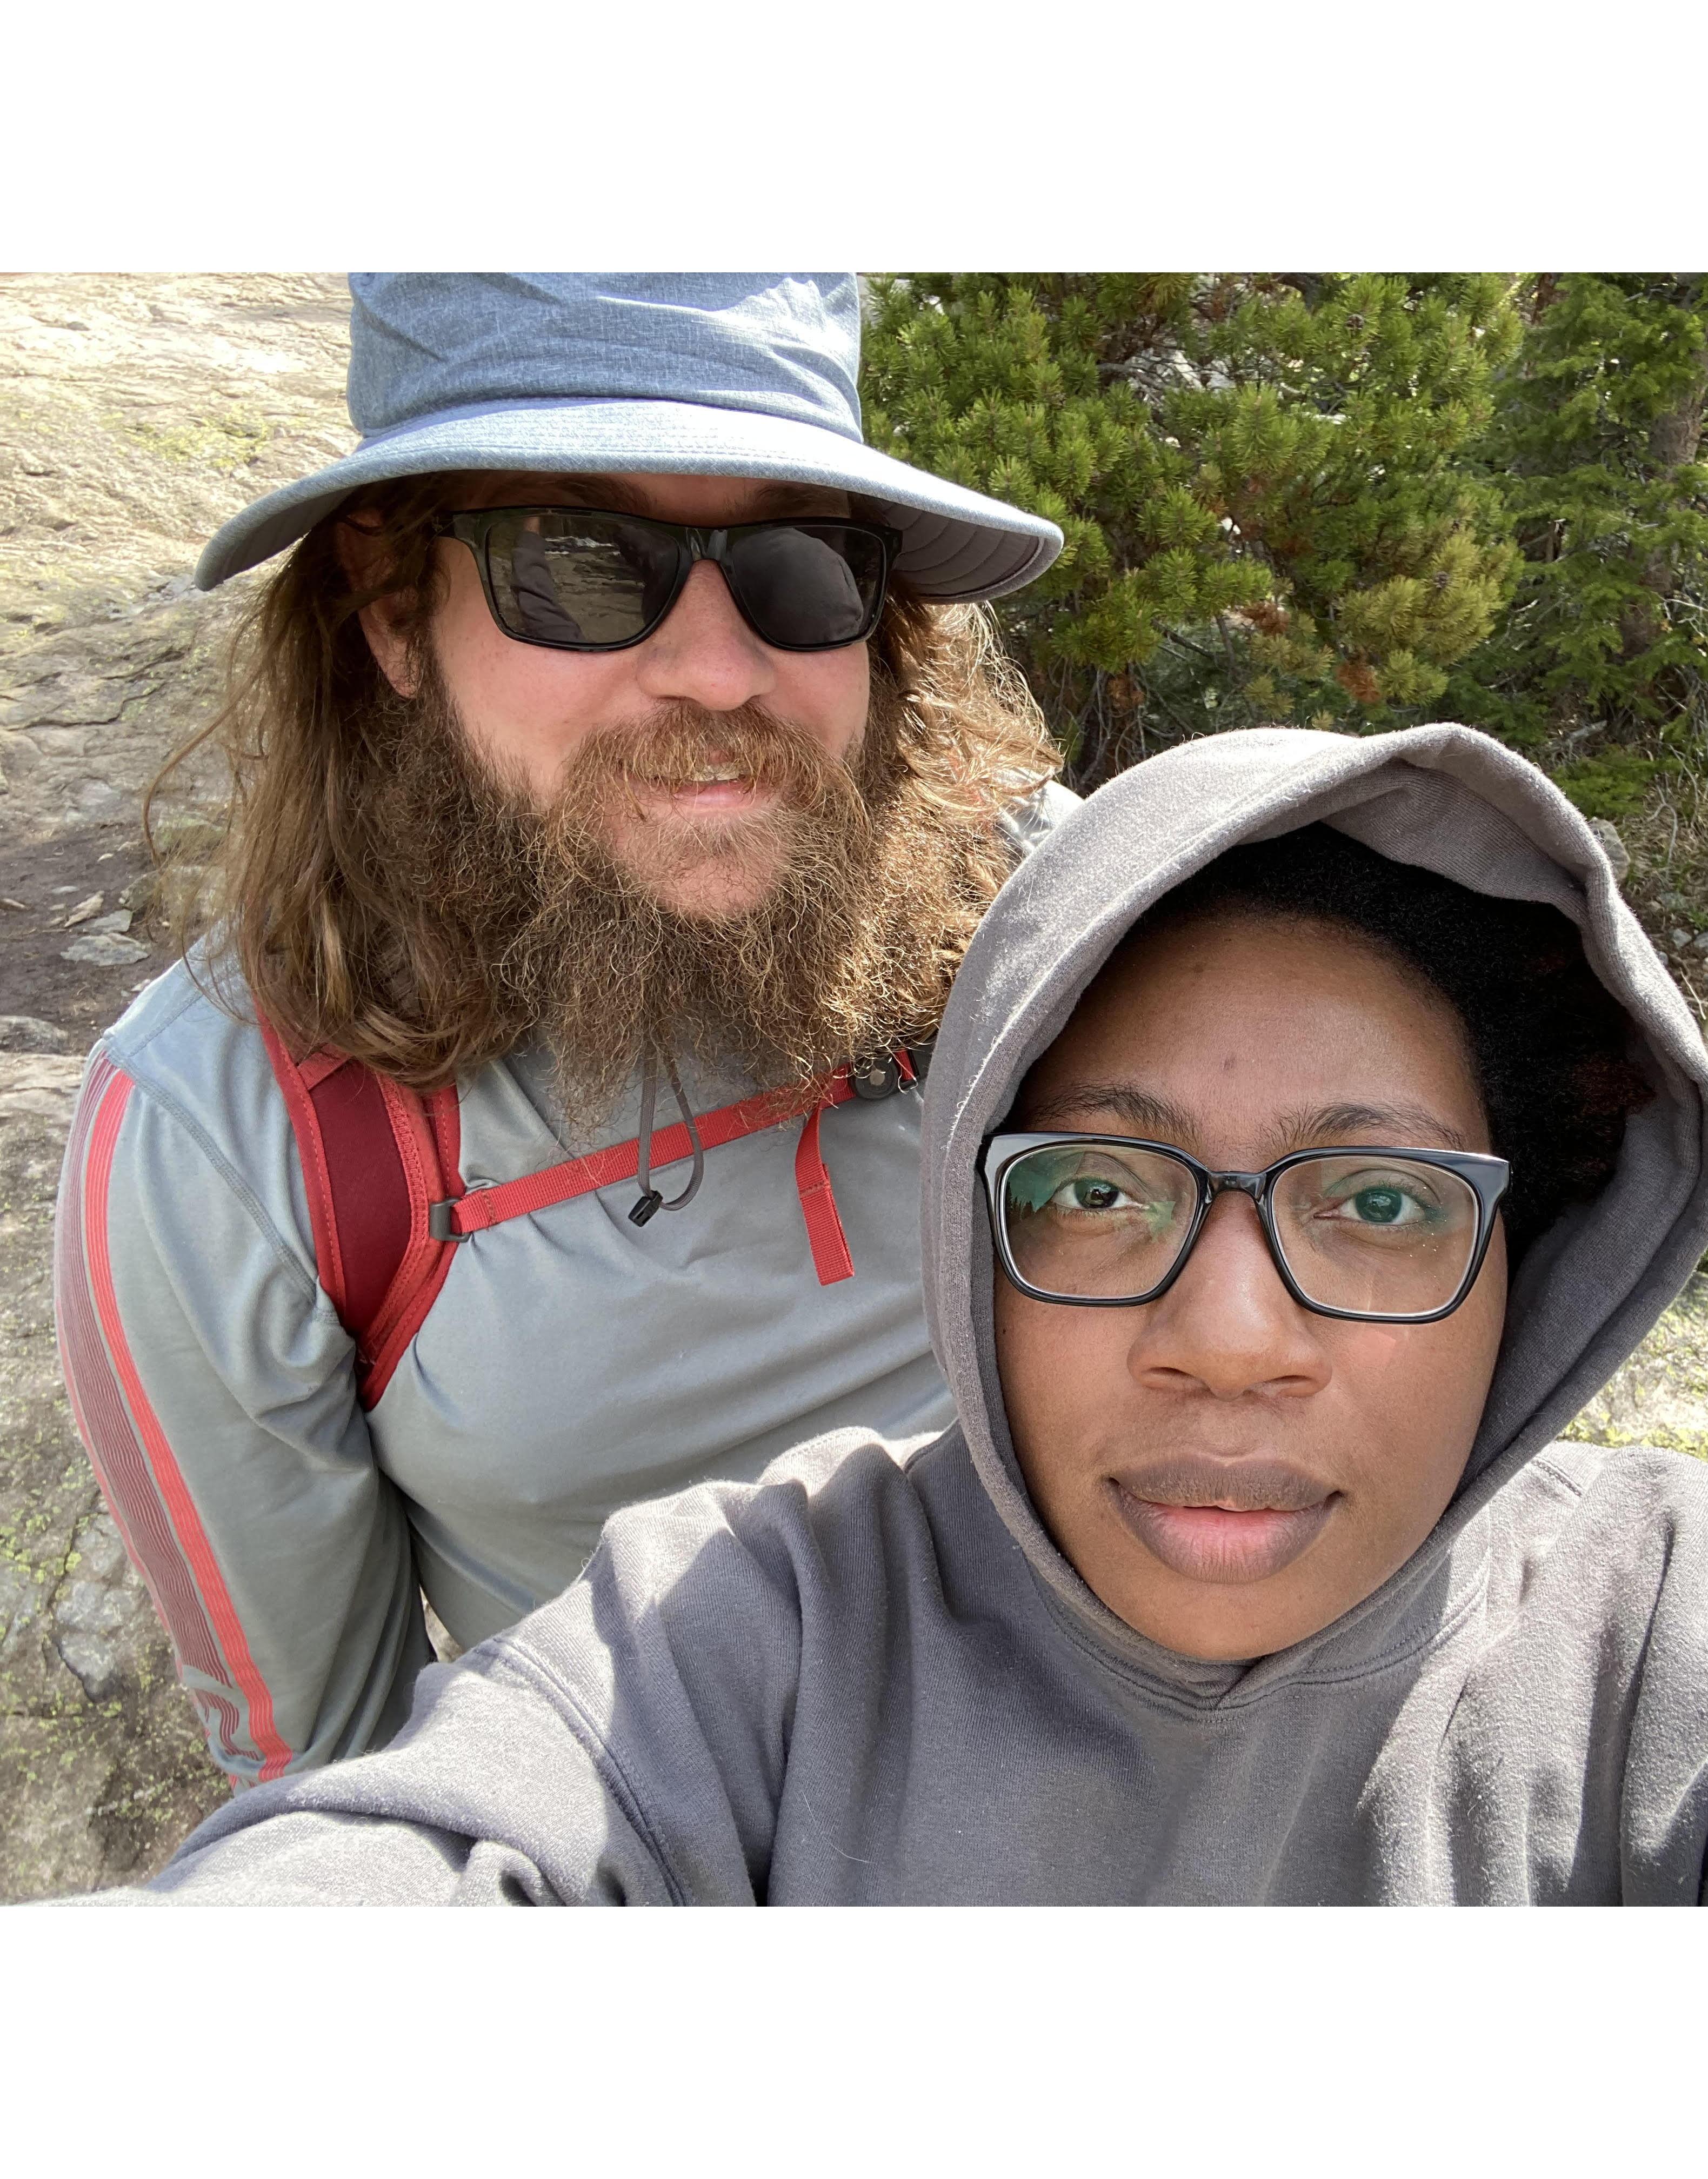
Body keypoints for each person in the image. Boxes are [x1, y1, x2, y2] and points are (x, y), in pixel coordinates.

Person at [96, 722, 1708, 1903]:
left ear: (1535, 1249)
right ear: (974, 1230)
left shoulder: (1673, 1665)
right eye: (1096, 1188)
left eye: (1377, 1201)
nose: (1234, 1338)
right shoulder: (743, 1641)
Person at [51, 274, 1073, 1786]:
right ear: (394, 618)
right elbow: (332, 1782)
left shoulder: (1044, 911)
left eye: (801, 566)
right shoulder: (237, 1136)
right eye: (584, 565)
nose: (721, 670)